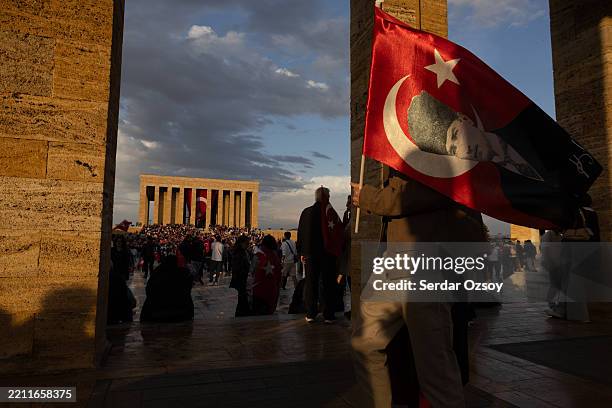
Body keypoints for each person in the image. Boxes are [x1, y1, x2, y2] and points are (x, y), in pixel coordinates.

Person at [351, 168, 486, 408]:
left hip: (426, 258)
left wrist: (369, 197)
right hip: (395, 259)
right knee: (365, 342)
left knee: (435, 365)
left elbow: (429, 189)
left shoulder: (439, 148)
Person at [297, 186, 343, 323]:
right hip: (327, 255)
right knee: (329, 284)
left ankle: (311, 313)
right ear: (327, 197)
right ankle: (328, 314)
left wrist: (301, 252)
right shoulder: (331, 212)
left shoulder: (306, 212)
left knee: (311, 283)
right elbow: (337, 231)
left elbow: (301, 234)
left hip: (310, 254)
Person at [140, 255, 194, 322]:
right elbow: (188, 288)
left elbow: (149, 290)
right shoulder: (182, 273)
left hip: (155, 312)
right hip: (180, 312)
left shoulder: (157, 272)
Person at [249, 235, 282, 315]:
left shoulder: (259, 255)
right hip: (271, 290)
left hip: (258, 290)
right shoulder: (275, 256)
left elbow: (251, 272)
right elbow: (278, 275)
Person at [230, 235, 251, 316]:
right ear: (242, 243)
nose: (248, 245)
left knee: (242, 299)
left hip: (242, 278)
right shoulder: (239, 253)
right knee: (242, 299)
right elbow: (237, 267)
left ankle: (241, 315)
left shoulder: (243, 251)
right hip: (241, 278)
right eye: (247, 243)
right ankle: (241, 316)